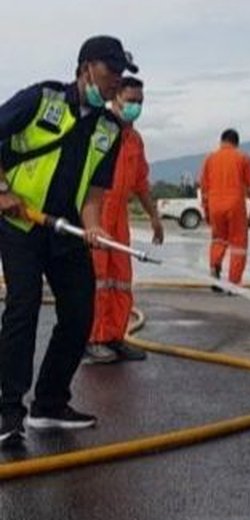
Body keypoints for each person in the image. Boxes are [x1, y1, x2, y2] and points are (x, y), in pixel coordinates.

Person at [0, 35, 138, 446]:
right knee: (23, 307)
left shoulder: (109, 130)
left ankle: (49, 404)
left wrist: (94, 226)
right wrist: (2, 189)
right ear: (86, 68)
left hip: (65, 231)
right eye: (111, 71)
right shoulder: (42, 100)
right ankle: (7, 412)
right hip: (20, 224)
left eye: (120, 73)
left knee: (80, 313)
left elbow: (94, 195)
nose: (117, 81)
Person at [84, 77, 164, 365]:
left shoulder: (134, 139)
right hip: (97, 211)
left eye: (140, 102)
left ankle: (115, 336)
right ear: (115, 97)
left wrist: (154, 216)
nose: (135, 107)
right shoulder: (100, 129)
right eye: (131, 101)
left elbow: (141, 182)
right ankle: (93, 338)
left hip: (119, 216)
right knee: (97, 279)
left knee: (120, 280)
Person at [199, 128, 250, 290]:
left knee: (218, 239)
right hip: (235, 205)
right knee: (238, 245)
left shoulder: (210, 159)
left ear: (221, 141)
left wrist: (206, 210)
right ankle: (233, 283)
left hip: (214, 205)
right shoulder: (243, 158)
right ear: (236, 143)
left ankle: (215, 268)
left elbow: (204, 188)